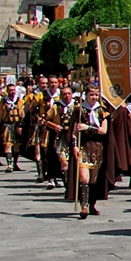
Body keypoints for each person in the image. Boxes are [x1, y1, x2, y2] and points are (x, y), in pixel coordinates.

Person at [66, 84, 109, 218]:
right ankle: (83, 206)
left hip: (96, 147)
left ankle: (92, 204)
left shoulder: (102, 110)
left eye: (96, 95)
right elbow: (74, 131)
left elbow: (103, 130)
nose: (94, 97)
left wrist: (88, 127)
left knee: (93, 179)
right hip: (83, 146)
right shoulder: (79, 111)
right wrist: (74, 146)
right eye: (91, 95)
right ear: (86, 95)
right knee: (84, 177)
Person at [44, 84, 74, 189]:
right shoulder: (56, 106)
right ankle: (67, 188)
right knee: (64, 162)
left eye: (69, 93)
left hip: (74, 137)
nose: (67, 96)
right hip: (61, 138)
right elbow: (47, 121)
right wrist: (55, 126)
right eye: (64, 94)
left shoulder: (77, 106)